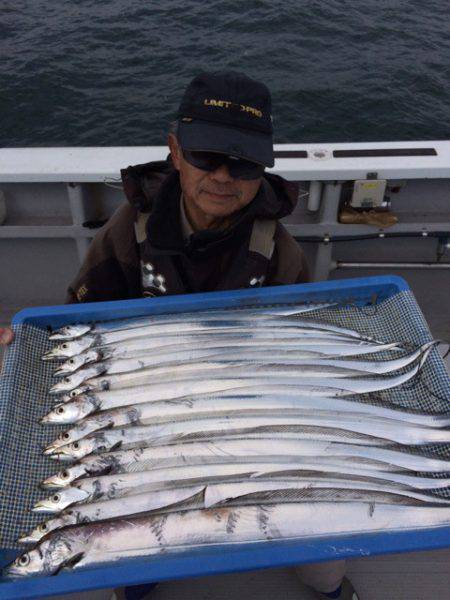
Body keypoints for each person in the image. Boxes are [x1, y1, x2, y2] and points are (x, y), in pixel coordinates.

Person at [0, 71, 359, 600]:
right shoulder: (127, 232)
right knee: (132, 532)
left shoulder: (279, 251)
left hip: (248, 413)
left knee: (321, 549)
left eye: (243, 163)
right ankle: (137, 579)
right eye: (205, 155)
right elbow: (79, 321)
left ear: (262, 170)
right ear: (174, 151)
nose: (222, 175)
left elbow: (291, 344)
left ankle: (326, 580)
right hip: (147, 413)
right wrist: (20, 348)